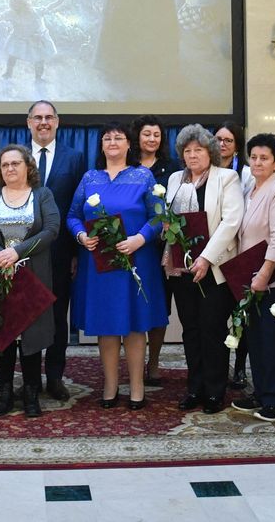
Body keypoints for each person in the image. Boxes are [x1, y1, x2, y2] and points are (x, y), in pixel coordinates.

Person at [68, 123, 167, 410]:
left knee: (135, 326)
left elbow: (159, 215)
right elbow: (72, 215)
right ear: (101, 146)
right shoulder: (90, 178)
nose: (112, 142)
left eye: (118, 137)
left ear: (128, 145)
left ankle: (137, 387)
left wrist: (140, 238)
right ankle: (110, 386)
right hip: (99, 264)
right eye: (107, 138)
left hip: (137, 259)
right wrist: (81, 235)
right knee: (107, 326)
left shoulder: (143, 176)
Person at [0, 145, 59, 417]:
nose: (10, 168)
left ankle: (31, 392)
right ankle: (5, 391)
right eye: (5, 164)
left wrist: (17, 252)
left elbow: (51, 230)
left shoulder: (42, 195)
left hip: (33, 276)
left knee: (31, 335)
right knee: (3, 333)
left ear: (28, 167)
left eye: (15, 163)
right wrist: (0, 254)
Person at [165, 124, 244, 414]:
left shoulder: (227, 177)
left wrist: (206, 258)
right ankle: (194, 387)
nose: (193, 155)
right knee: (191, 330)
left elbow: (231, 222)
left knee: (212, 330)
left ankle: (214, 391)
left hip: (214, 268)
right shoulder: (175, 179)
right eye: (187, 150)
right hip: (183, 268)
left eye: (198, 149)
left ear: (210, 151)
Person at [231, 133, 275, 422]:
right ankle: (260, 391)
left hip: (272, 281)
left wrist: (265, 273)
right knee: (254, 339)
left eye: (264, 158)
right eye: (253, 157)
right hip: (248, 278)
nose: (257, 162)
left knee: (271, 340)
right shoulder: (248, 190)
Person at [26, 100, 86, 401]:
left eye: (49, 117)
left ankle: (55, 376)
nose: (43, 122)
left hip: (62, 253)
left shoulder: (74, 158)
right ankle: (31, 380)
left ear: (58, 122)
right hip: (23, 253)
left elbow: (79, 208)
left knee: (57, 316)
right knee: (28, 316)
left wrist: (76, 252)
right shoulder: (17, 158)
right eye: (37, 118)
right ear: (29, 123)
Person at [128, 115, 178, 386]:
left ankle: (154, 361)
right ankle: (133, 359)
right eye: (147, 134)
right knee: (134, 303)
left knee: (159, 306)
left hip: (163, 248)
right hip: (132, 246)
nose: (151, 139)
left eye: (156, 135)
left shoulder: (172, 168)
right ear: (137, 137)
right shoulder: (127, 165)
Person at [214, 121, 252, 387]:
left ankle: (240, 367)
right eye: (218, 139)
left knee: (242, 315)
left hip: (242, 252)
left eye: (228, 140)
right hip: (216, 253)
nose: (222, 144)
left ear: (237, 145)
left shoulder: (248, 173)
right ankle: (220, 365)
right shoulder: (208, 170)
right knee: (218, 314)